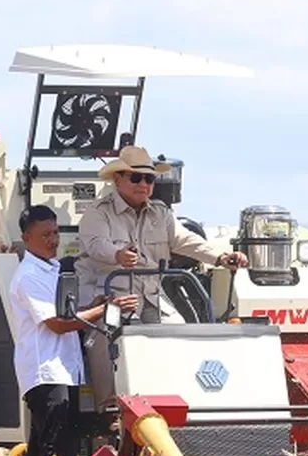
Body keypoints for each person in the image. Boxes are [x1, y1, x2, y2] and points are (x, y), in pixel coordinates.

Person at [74, 145, 247, 408]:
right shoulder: (98, 212)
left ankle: (176, 405)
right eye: (136, 177)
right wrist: (117, 254)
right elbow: (96, 244)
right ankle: (108, 411)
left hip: (152, 296)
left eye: (149, 178)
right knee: (104, 339)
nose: (144, 184)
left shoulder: (161, 213)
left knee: (179, 335)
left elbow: (186, 241)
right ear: (117, 179)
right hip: (107, 297)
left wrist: (221, 257)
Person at [9, 205, 139, 456]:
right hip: (46, 372)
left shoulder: (50, 270)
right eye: (44, 235)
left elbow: (67, 316)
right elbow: (57, 324)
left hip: (61, 371)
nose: (53, 240)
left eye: (55, 233)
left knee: (43, 447)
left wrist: (95, 304)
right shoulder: (30, 276)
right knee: (56, 451)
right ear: (26, 238)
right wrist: (105, 309)